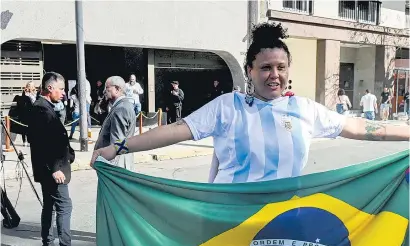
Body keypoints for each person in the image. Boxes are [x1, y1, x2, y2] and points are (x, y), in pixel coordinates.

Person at [91, 22, 410, 183]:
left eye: (281, 67)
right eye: (266, 68)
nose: (274, 75)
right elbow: (175, 130)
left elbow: (359, 126)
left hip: (283, 222)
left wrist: (407, 131)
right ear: (250, 71)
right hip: (227, 222)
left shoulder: (304, 109)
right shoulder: (228, 107)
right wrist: (117, 148)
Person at [27, 72, 92, 246]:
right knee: (64, 206)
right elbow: (43, 144)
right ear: (49, 88)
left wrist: (69, 154)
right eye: (61, 88)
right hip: (53, 170)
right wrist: (55, 168)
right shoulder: (43, 111)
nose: (63, 92)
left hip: (49, 168)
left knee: (50, 205)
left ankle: (48, 245)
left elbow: (55, 138)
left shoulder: (44, 107)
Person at [94, 76, 136, 171]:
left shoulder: (120, 109)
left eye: (107, 88)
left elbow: (117, 143)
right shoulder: (124, 105)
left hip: (117, 165)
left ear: (117, 89)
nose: (104, 91)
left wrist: (111, 169)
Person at [10, 81, 36, 147]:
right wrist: (25, 93)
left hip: (33, 113)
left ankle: (31, 140)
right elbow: (22, 100)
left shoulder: (35, 93)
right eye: (29, 85)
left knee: (32, 128)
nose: (30, 86)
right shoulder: (24, 93)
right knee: (23, 127)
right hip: (25, 113)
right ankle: (24, 141)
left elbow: (35, 101)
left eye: (31, 85)